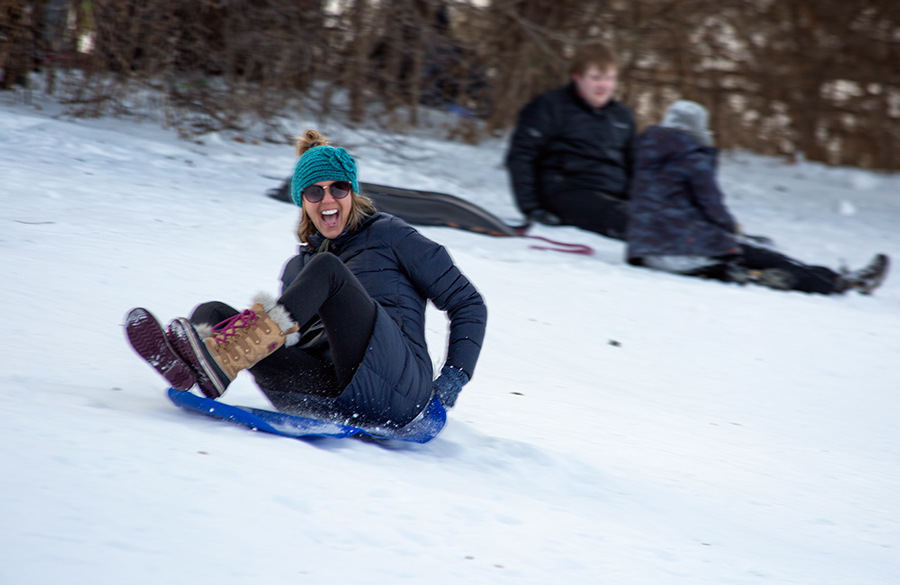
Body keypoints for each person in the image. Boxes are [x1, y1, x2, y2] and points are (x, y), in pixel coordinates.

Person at [125, 130, 487, 428]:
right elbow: (294, 341)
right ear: (303, 200)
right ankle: (194, 367)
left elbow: (467, 302)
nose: (328, 199)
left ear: (353, 193)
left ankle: (217, 361)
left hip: (396, 389)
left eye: (338, 189)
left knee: (327, 271)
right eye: (315, 191)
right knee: (212, 312)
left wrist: (454, 376)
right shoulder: (299, 267)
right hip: (322, 394)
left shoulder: (390, 235)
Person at [626, 100, 890, 295]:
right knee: (763, 254)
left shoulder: (645, 157)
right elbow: (713, 208)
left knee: (737, 253)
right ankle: (839, 282)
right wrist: (732, 229)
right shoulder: (693, 158)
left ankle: (741, 273)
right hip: (686, 251)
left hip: (647, 255)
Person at [505, 42, 636, 240]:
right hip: (567, 191)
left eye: (609, 78)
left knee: (658, 217)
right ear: (577, 77)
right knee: (628, 220)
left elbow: (636, 167)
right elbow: (521, 155)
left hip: (615, 197)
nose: (603, 85)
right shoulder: (550, 106)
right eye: (595, 78)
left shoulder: (622, 116)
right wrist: (532, 208)